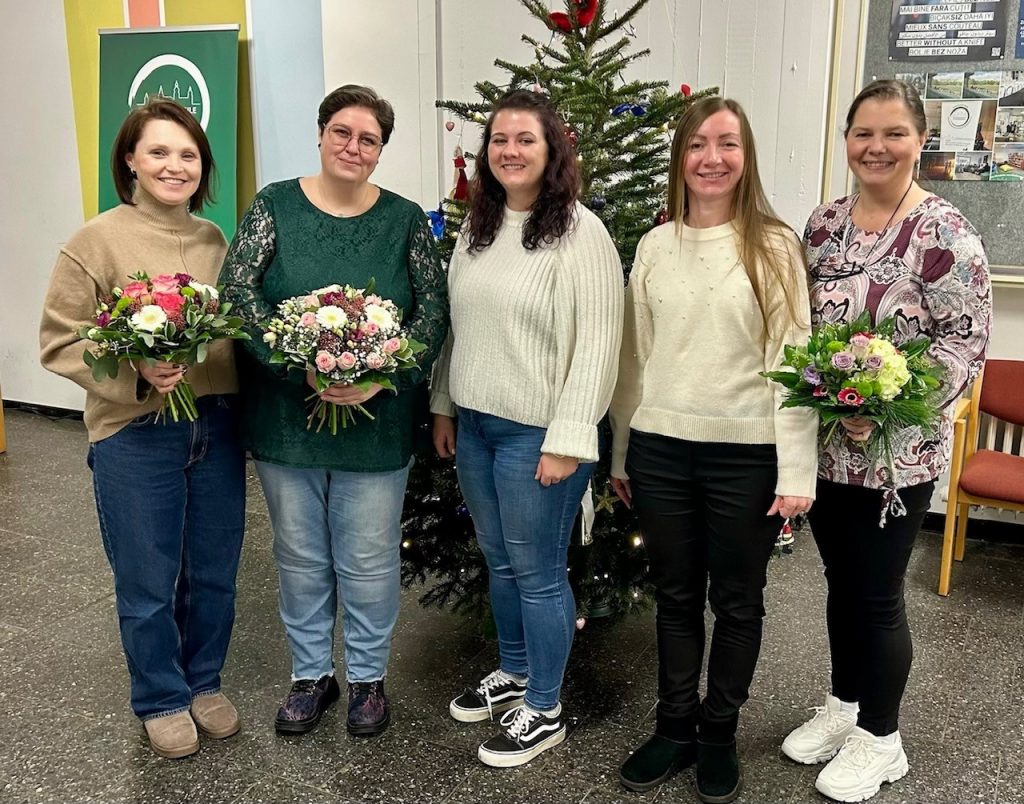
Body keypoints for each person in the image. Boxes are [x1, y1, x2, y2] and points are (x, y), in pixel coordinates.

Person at [782, 79, 991, 803]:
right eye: (863, 133)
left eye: (894, 133)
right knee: (841, 584)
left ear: (920, 140)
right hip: (826, 448)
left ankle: (882, 739)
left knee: (876, 595)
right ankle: (844, 706)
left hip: (896, 457)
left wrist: (892, 407)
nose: (877, 147)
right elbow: (801, 326)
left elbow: (964, 343)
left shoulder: (945, 234)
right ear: (846, 140)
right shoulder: (823, 226)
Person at [219, 85, 448, 738]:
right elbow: (238, 291)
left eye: (368, 139)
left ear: (380, 150)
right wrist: (299, 360)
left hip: (377, 426)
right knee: (298, 554)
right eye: (342, 132)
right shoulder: (274, 206)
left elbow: (433, 310)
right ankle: (312, 674)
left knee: (369, 558)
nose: (353, 147)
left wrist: (381, 373)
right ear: (321, 134)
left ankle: (369, 678)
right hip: (286, 421)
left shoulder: (405, 220)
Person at [609, 96, 818, 803]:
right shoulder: (655, 246)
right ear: (680, 156)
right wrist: (621, 453)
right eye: (698, 144)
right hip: (662, 450)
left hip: (746, 455)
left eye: (727, 143)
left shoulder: (774, 246)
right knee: (674, 597)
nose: (712, 158)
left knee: (737, 602)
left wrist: (796, 470)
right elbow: (634, 359)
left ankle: (718, 732)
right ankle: (674, 726)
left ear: (746, 156)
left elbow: (793, 360)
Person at [39, 99, 245, 759]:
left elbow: (230, 334)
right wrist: (135, 371)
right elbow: (59, 340)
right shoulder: (94, 241)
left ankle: (204, 682)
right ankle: (161, 696)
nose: (174, 166)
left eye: (188, 154)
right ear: (130, 159)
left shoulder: (215, 241)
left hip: (214, 426)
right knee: (148, 578)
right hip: (134, 433)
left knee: (213, 573)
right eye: (158, 152)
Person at [430, 89, 623, 768]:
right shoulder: (477, 227)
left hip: (538, 434)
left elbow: (599, 342)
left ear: (552, 150)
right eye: (499, 140)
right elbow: (460, 325)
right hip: (477, 426)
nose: (510, 151)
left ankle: (545, 708)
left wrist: (569, 439)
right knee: (500, 560)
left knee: (538, 573)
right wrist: (445, 403)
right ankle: (514, 673)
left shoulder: (581, 233)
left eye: (525, 140)